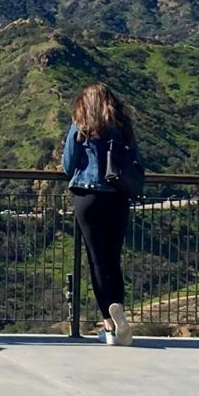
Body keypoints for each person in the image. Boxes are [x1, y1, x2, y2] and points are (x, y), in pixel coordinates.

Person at [61, 82, 141, 346]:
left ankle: (109, 324)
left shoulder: (81, 125)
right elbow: (138, 161)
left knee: (97, 261)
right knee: (113, 258)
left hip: (88, 197)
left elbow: (67, 164)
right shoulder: (122, 127)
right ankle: (119, 309)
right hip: (118, 197)